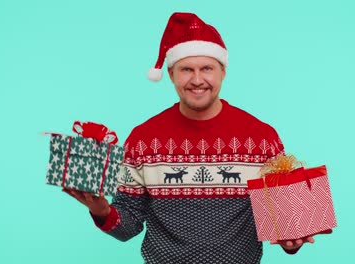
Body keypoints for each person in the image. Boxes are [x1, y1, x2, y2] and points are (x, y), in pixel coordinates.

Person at [64, 12, 330, 264]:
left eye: (207, 68)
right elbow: (128, 226)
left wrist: (291, 238)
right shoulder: (143, 139)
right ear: (171, 74)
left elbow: (282, 224)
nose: (197, 79)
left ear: (222, 72)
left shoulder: (261, 138)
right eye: (186, 70)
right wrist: (101, 211)